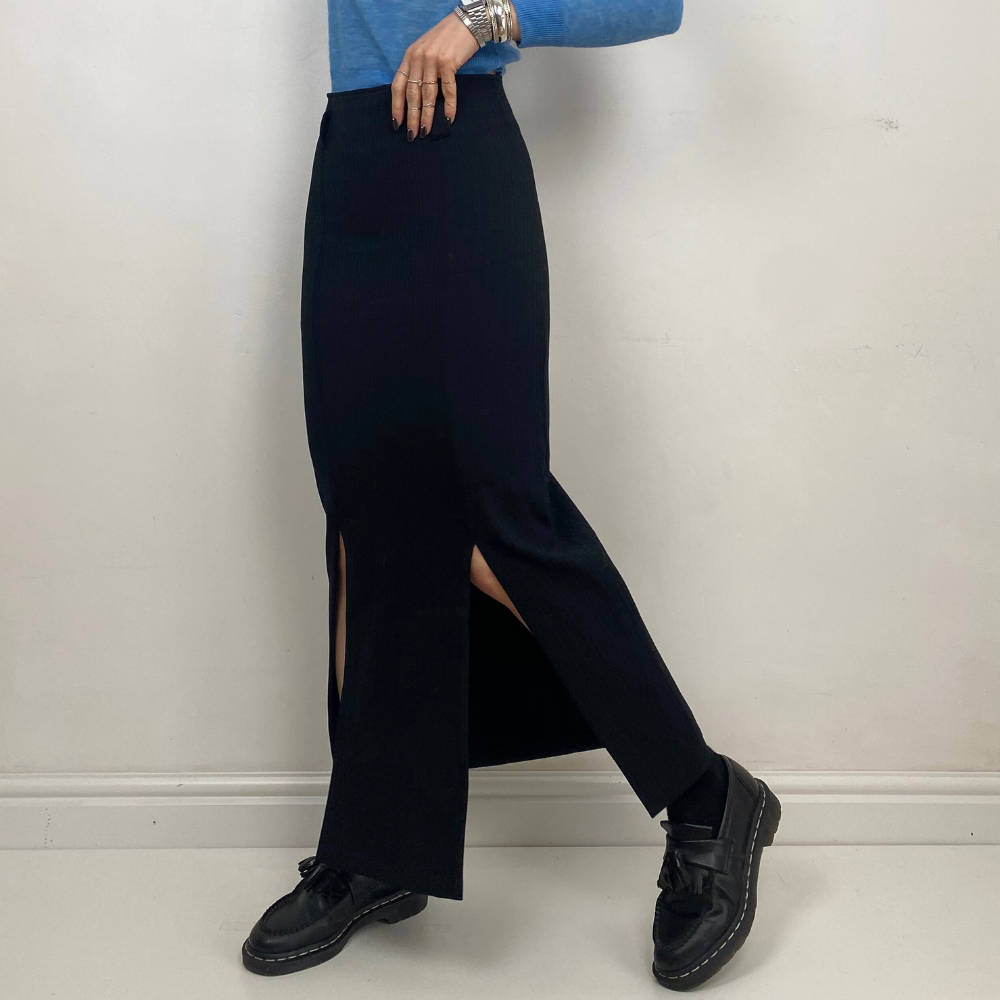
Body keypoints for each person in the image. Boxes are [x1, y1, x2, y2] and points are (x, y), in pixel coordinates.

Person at [241, 0, 781, 989]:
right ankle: (376, 843)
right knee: (363, 510)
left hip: (455, 157)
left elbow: (653, 4)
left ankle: (706, 797)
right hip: (354, 152)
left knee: (497, 522)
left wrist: (484, 17)